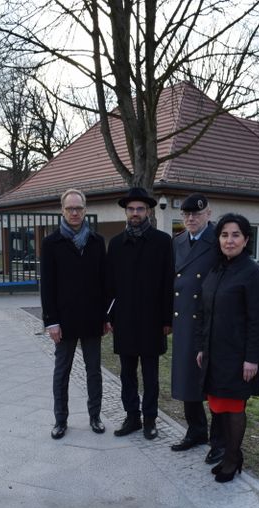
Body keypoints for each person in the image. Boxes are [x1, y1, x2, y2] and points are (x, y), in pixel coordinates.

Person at [196, 213, 259, 483]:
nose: (229, 240)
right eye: (224, 235)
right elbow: (206, 313)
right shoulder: (217, 269)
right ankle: (230, 453)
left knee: (234, 407)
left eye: (235, 234)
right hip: (214, 353)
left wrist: (253, 359)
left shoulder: (253, 273)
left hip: (238, 356)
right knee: (218, 405)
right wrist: (203, 348)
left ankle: (232, 458)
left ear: (246, 239)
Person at [106, 187, 174, 440]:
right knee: (126, 373)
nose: (135, 213)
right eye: (131, 209)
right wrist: (109, 316)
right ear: (126, 211)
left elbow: (168, 283)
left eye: (140, 209)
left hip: (152, 320)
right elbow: (109, 285)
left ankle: (150, 420)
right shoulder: (115, 244)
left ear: (148, 211)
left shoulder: (162, 242)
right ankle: (132, 417)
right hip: (124, 319)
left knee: (150, 375)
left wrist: (167, 319)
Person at [40, 187, 107, 440]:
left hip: (92, 319)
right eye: (70, 208)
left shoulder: (97, 242)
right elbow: (47, 285)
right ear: (62, 210)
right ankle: (60, 420)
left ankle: (95, 417)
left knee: (94, 372)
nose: (75, 212)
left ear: (85, 209)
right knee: (62, 372)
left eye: (79, 208)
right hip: (64, 321)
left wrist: (105, 317)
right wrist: (51, 322)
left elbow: (104, 282)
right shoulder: (51, 243)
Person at [170, 193, 225, 464]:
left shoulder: (218, 241)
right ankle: (196, 430)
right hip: (183, 320)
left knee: (213, 383)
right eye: (186, 214)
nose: (191, 218)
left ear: (208, 214)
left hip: (209, 321)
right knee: (186, 378)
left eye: (197, 214)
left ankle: (219, 441)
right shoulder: (177, 241)